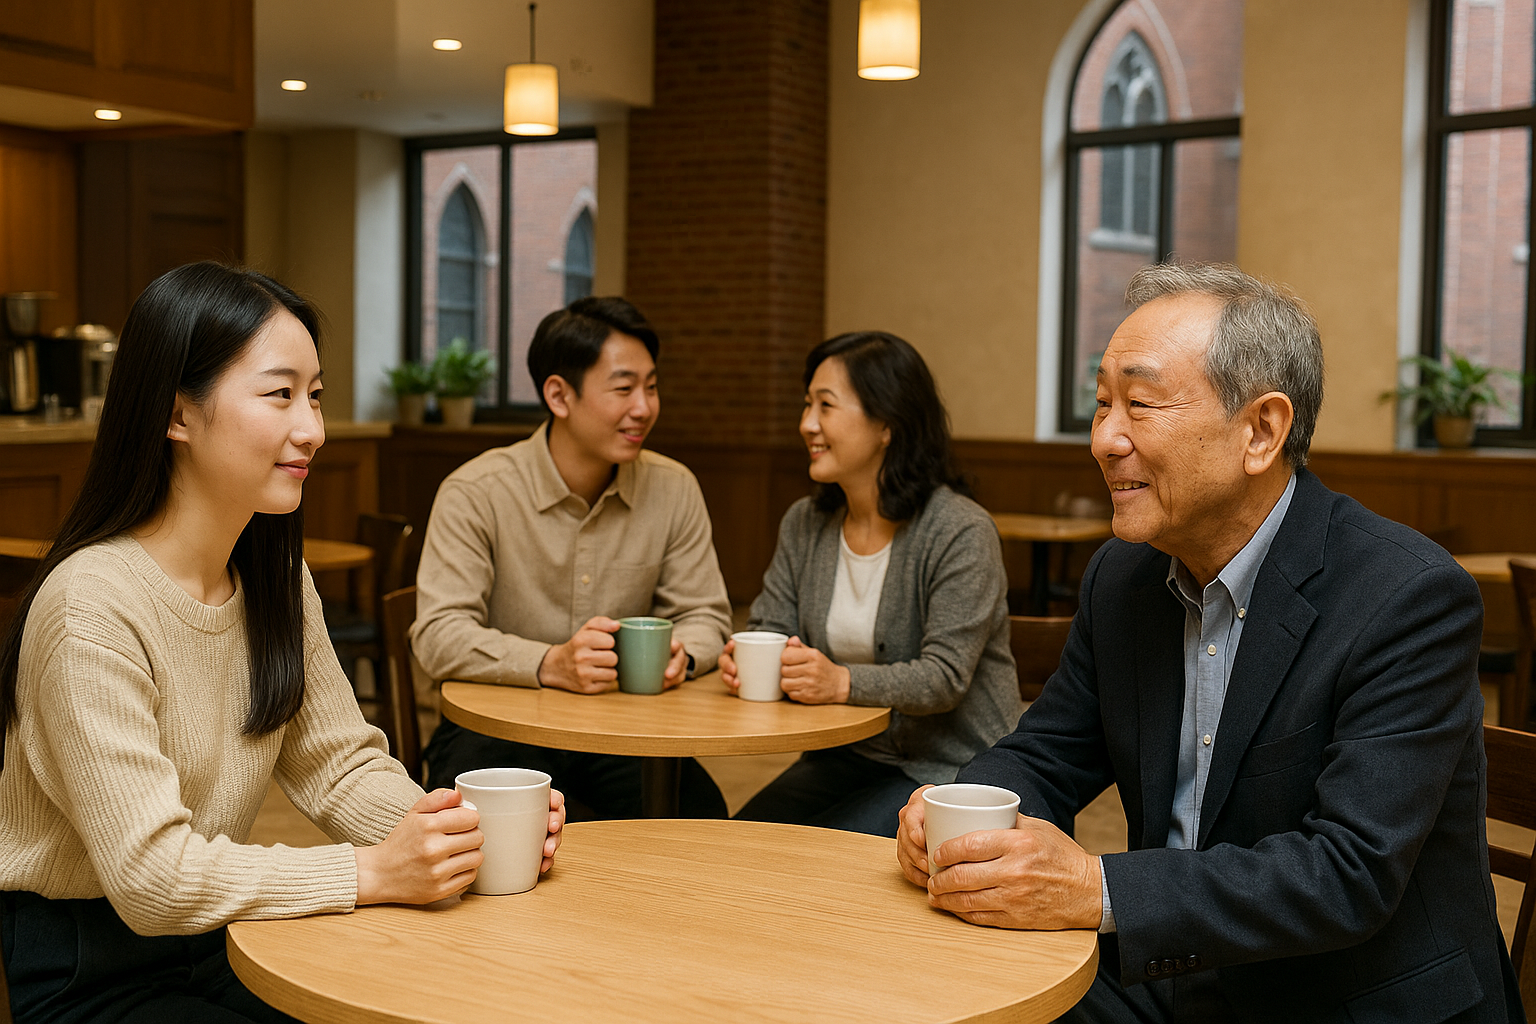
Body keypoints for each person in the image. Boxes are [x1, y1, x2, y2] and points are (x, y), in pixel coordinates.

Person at [895, 262, 1522, 1023]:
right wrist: (959, 809)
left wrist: (1096, 887)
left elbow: (1347, 873)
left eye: (1140, 403)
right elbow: (1049, 751)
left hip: (1348, 995)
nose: (1104, 440)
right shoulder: (1123, 577)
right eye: (1100, 406)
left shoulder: (1406, 597)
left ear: (1261, 430)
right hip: (1174, 968)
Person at [0, 262, 565, 1024]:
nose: (314, 429)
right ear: (177, 414)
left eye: (317, 394)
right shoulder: (90, 606)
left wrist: (454, 834)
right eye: (280, 394)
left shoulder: (273, 575)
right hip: (92, 967)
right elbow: (151, 880)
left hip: (224, 935)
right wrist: (371, 872)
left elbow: (338, 764)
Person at [413, 296, 733, 817]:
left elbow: (707, 616)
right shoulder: (476, 490)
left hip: (624, 733)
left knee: (703, 819)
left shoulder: (673, 489)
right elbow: (438, 634)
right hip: (498, 730)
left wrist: (684, 652)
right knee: (501, 837)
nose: (644, 407)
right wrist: (548, 663)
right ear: (559, 395)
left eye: (651, 387)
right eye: (624, 388)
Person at [720, 331, 1022, 837]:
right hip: (848, 757)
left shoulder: (959, 531)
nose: (806, 424)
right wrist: (748, 657)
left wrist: (840, 682)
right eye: (806, 405)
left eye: (826, 406)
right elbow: (772, 624)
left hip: (948, 772)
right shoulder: (805, 522)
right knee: (739, 840)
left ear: (887, 424)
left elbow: (943, 677)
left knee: (816, 860)